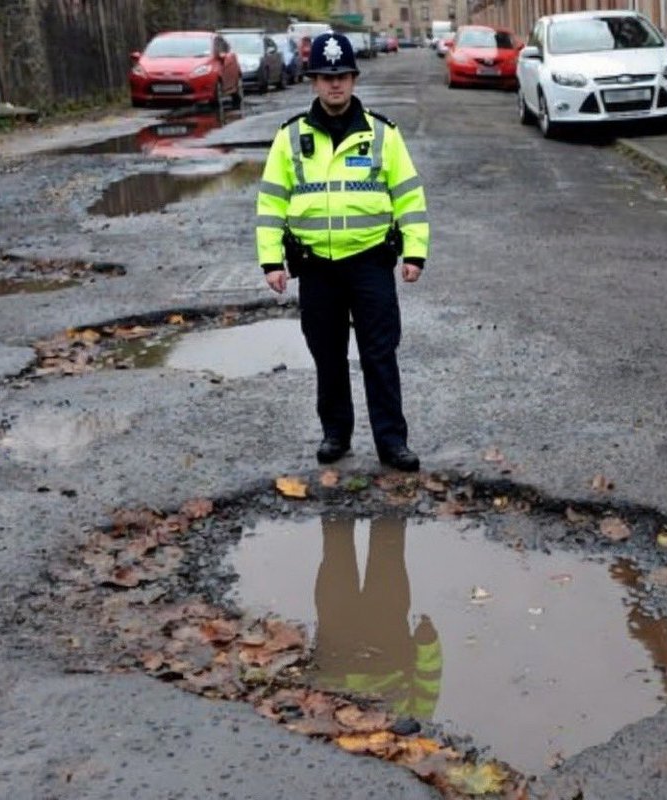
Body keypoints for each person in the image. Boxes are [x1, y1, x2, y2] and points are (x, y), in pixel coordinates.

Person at [256, 31, 429, 472]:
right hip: (316, 267)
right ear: (313, 81)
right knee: (327, 354)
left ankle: (392, 442)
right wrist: (271, 260)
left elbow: (408, 195)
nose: (335, 85)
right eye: (326, 76)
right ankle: (336, 434)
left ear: (354, 79)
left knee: (379, 354)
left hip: (371, 262)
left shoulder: (382, 135)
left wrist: (414, 252)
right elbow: (271, 201)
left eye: (343, 76)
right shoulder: (290, 137)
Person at [313, 516, 442, 719]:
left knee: (337, 555)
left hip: (336, 656)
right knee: (387, 558)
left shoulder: (325, 743)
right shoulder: (406, 740)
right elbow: (427, 693)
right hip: (387, 650)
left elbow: (428, 693)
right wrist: (428, 649)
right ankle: (389, 510)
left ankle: (336, 508)